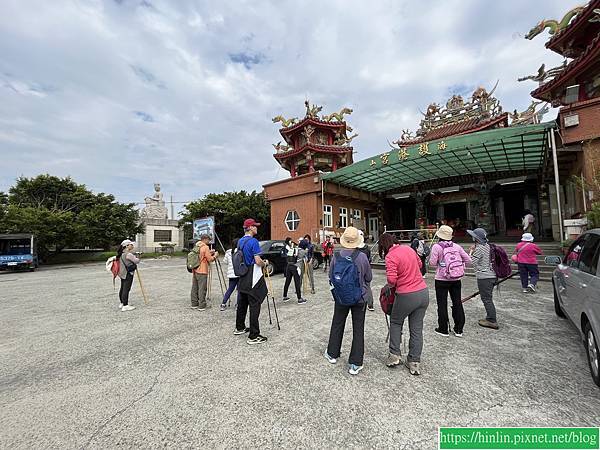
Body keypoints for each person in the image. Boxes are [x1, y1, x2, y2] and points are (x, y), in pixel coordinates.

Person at [380, 232, 429, 376]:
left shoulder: (391, 256)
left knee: (395, 322)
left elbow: (392, 280)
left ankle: (395, 355)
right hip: (423, 292)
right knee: (416, 329)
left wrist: (388, 286)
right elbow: (420, 264)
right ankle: (414, 362)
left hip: (406, 294)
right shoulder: (408, 248)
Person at [324, 227, 372, 375]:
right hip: (359, 297)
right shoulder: (362, 256)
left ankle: (332, 353)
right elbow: (368, 277)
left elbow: (331, 276)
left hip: (340, 297)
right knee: (358, 329)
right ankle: (355, 363)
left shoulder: (336, 256)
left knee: (337, 323)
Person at [428, 225, 471, 337]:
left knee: (442, 304)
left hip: (441, 279)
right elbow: (468, 260)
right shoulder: (457, 247)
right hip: (456, 278)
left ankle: (443, 329)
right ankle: (459, 329)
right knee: (457, 302)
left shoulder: (436, 247)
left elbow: (432, 263)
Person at [235, 218, 269, 344]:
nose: (256, 228)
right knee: (255, 304)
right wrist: (264, 263)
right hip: (252, 275)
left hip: (242, 275)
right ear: (249, 228)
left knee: (243, 303)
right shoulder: (254, 241)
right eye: (255, 226)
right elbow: (257, 260)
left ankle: (240, 327)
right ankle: (254, 335)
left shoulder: (240, 241)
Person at [467, 227, 499, 330]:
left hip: (484, 276)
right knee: (488, 298)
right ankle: (491, 317)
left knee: (486, 299)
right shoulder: (488, 246)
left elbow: (472, 261)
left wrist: (471, 251)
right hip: (492, 275)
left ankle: (491, 320)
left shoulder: (480, 248)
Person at [190, 234, 218, 311]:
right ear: (205, 239)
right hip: (202, 270)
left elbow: (201, 255)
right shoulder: (205, 247)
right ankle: (202, 305)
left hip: (195, 269)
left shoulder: (197, 246)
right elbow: (210, 259)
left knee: (195, 287)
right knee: (202, 288)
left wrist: (209, 252)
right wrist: (215, 255)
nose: (209, 242)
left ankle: (194, 304)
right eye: (208, 240)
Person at [117, 239, 140, 312]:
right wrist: (138, 256)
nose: (132, 246)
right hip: (128, 273)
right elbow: (136, 261)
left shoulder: (121, 254)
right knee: (126, 289)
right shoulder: (128, 254)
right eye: (131, 244)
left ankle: (122, 303)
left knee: (123, 288)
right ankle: (125, 305)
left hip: (122, 273)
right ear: (127, 246)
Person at [220, 238, 239, 311]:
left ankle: (223, 304)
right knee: (239, 290)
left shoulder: (228, 252)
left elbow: (225, 262)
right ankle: (237, 305)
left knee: (230, 289)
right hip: (239, 273)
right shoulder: (241, 251)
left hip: (231, 274)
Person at [357, 230, 374, 311]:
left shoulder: (356, 248)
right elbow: (370, 259)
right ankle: (370, 304)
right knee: (367, 286)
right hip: (367, 268)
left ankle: (359, 301)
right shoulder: (367, 248)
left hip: (358, 269)